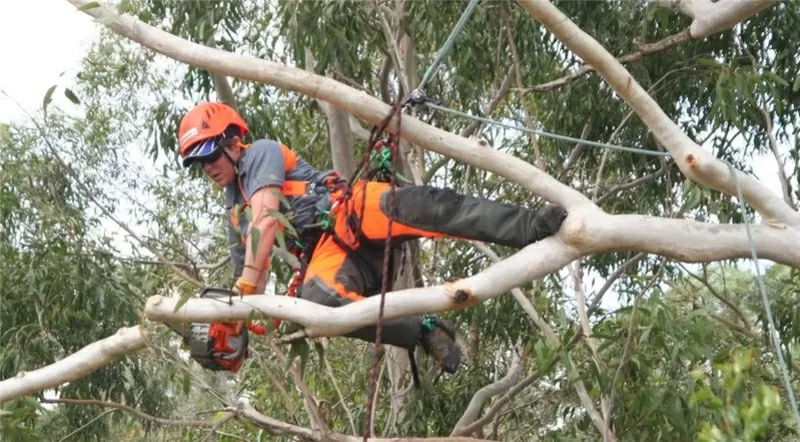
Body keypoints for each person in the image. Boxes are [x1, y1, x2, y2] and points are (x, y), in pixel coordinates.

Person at [177, 102, 567, 374]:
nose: (207, 167)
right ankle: (424, 331)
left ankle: (529, 225)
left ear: (232, 143)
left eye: (210, 156)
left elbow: (263, 220)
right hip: (331, 253)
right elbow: (250, 280)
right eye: (198, 163)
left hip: (350, 211)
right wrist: (242, 316)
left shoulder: (259, 154)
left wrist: (245, 290)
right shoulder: (234, 213)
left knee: (429, 208)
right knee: (320, 307)